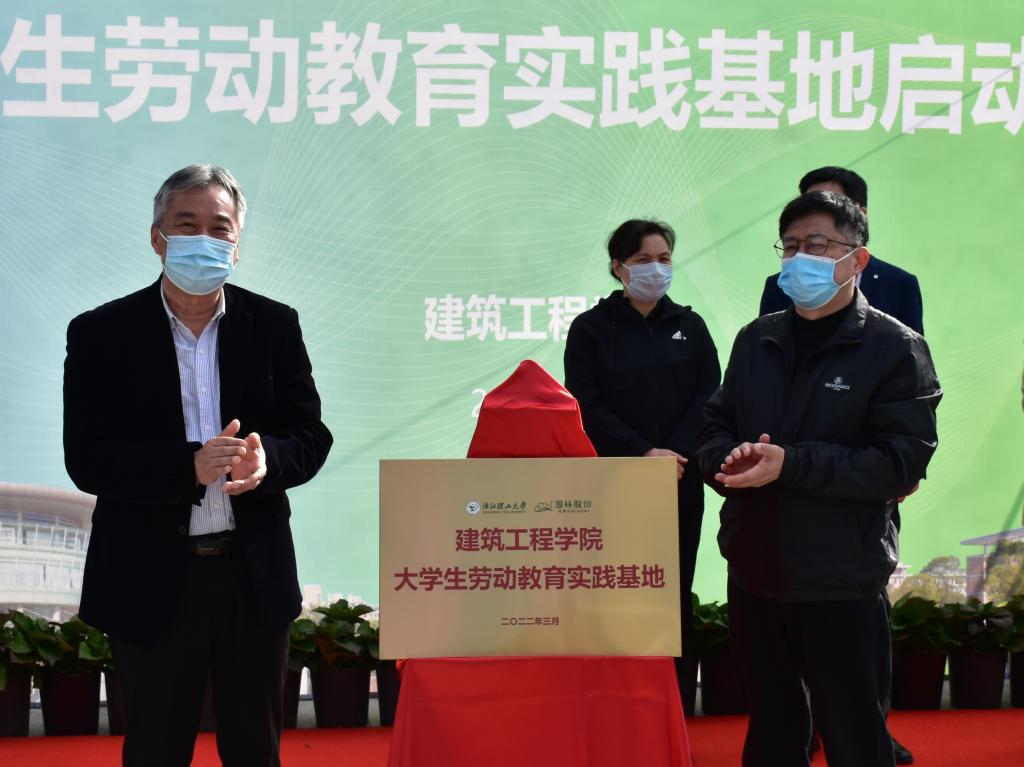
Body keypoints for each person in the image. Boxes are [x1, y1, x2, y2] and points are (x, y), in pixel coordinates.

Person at [63, 164, 333, 766]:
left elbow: (310, 434)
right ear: (157, 237)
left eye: (220, 227)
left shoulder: (274, 325)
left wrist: (268, 461)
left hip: (251, 576)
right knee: (155, 748)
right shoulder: (101, 333)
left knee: (254, 749)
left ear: (237, 242)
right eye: (187, 225)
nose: (204, 239)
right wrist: (188, 468)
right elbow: (88, 458)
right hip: (150, 577)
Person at [698, 191, 940, 767]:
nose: (798, 258)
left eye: (816, 245)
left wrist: (792, 463)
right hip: (757, 571)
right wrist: (727, 461)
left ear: (858, 258)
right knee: (773, 732)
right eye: (789, 247)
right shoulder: (756, 339)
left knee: (856, 736)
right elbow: (713, 427)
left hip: (841, 580)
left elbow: (900, 463)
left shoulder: (895, 348)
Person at [563, 219, 721, 669]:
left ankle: (674, 699)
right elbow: (585, 403)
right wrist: (643, 453)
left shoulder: (690, 325)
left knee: (673, 588)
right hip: (615, 480)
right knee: (617, 587)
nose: (657, 268)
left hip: (678, 477)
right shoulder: (592, 328)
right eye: (643, 259)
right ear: (619, 267)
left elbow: (710, 394)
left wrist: (672, 453)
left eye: (664, 258)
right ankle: (618, 695)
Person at [759, 166, 924, 335]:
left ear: (860, 215)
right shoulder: (778, 287)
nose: (816, 211)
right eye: (811, 201)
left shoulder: (899, 285)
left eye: (832, 203)